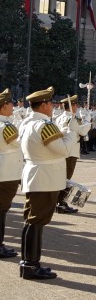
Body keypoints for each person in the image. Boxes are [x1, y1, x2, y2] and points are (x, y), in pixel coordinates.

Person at [19, 86, 75, 280]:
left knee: (31, 220)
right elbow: (63, 150)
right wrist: (70, 133)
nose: (52, 106)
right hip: (45, 178)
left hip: (35, 175)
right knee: (37, 221)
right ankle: (31, 266)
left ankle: (28, 263)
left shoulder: (27, 123)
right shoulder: (44, 126)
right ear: (43, 105)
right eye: (50, 103)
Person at [54, 95, 91, 213]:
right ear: (72, 106)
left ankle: (58, 202)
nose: (77, 107)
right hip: (71, 152)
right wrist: (87, 122)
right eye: (75, 105)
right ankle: (61, 203)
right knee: (66, 178)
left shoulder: (60, 118)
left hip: (63, 150)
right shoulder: (72, 119)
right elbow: (82, 131)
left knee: (61, 177)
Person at [0, 89, 22, 259]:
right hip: (6, 175)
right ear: (3, 106)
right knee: (1, 210)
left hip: (5, 172)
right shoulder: (6, 127)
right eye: (11, 104)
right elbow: (19, 144)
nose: (13, 106)